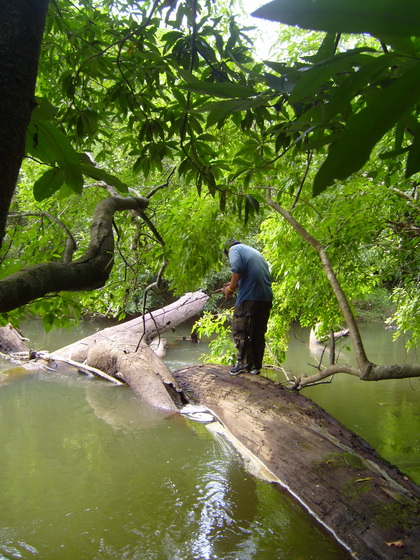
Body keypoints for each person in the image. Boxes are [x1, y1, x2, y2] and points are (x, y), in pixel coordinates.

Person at [221, 240, 272, 376]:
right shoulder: (253, 252)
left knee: (240, 330)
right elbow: (252, 275)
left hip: (249, 298)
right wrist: (235, 284)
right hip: (265, 298)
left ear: (227, 250)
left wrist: (230, 289)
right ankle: (255, 366)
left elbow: (236, 270)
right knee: (257, 333)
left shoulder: (234, 250)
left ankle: (243, 364)